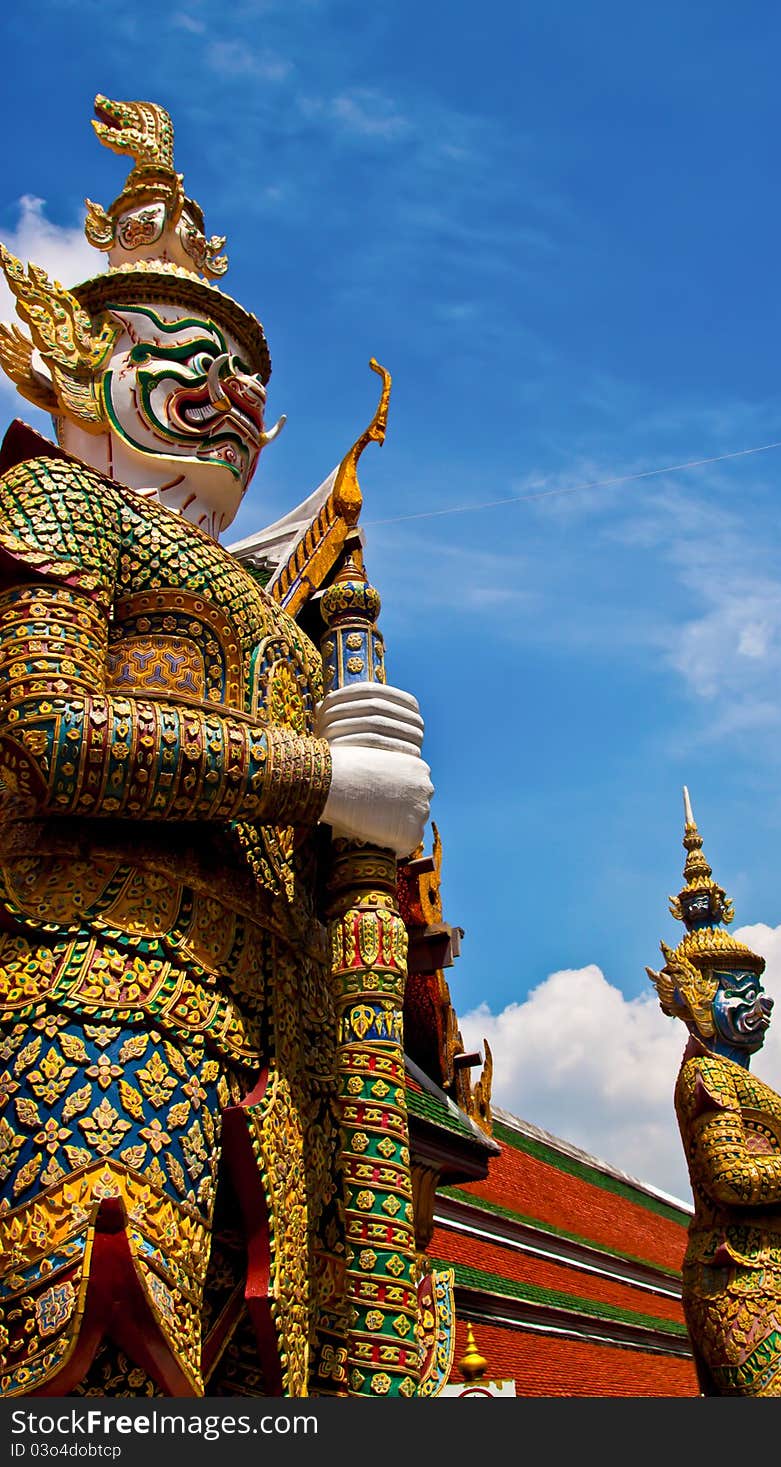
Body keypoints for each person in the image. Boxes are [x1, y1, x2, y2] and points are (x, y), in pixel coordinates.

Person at [0, 96, 432, 1396]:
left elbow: (337, 883)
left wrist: (371, 875)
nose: (232, 392)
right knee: (93, 1361)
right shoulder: (61, 499)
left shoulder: (289, 637)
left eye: (247, 373)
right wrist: (331, 778)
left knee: (267, 1391)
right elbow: (50, 728)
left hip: (277, 1068)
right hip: (93, 990)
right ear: (81, 364)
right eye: (188, 354)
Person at [647, 791, 781, 1396]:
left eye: (759, 990)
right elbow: (734, 1180)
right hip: (739, 1279)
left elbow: (776, 1193)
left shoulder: (749, 1084)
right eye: (740, 990)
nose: (760, 1003)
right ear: (697, 998)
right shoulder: (707, 1076)